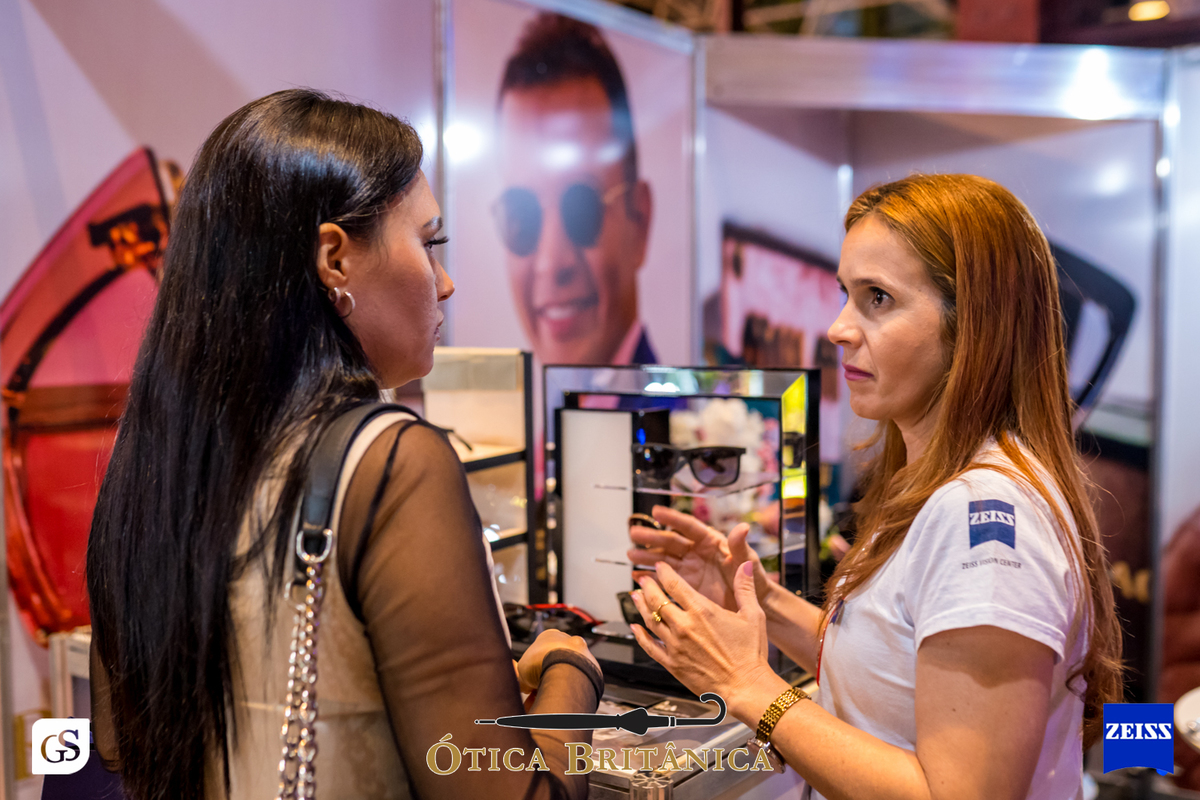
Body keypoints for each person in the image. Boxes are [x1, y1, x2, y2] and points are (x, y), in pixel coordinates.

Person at [86, 89, 602, 800]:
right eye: (429, 244)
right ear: (333, 257)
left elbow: (118, 746)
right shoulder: (392, 464)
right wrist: (573, 675)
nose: (445, 283)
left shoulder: (151, 464)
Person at [626, 174, 1124, 800]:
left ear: (972, 327)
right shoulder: (943, 485)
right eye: (846, 294)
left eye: (878, 299)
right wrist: (759, 598)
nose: (838, 328)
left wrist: (749, 685)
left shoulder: (981, 517)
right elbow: (899, 672)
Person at [493, 13, 655, 366]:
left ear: (640, 222)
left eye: (582, 209)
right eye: (522, 215)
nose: (553, 263)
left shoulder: (676, 422)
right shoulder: (531, 419)